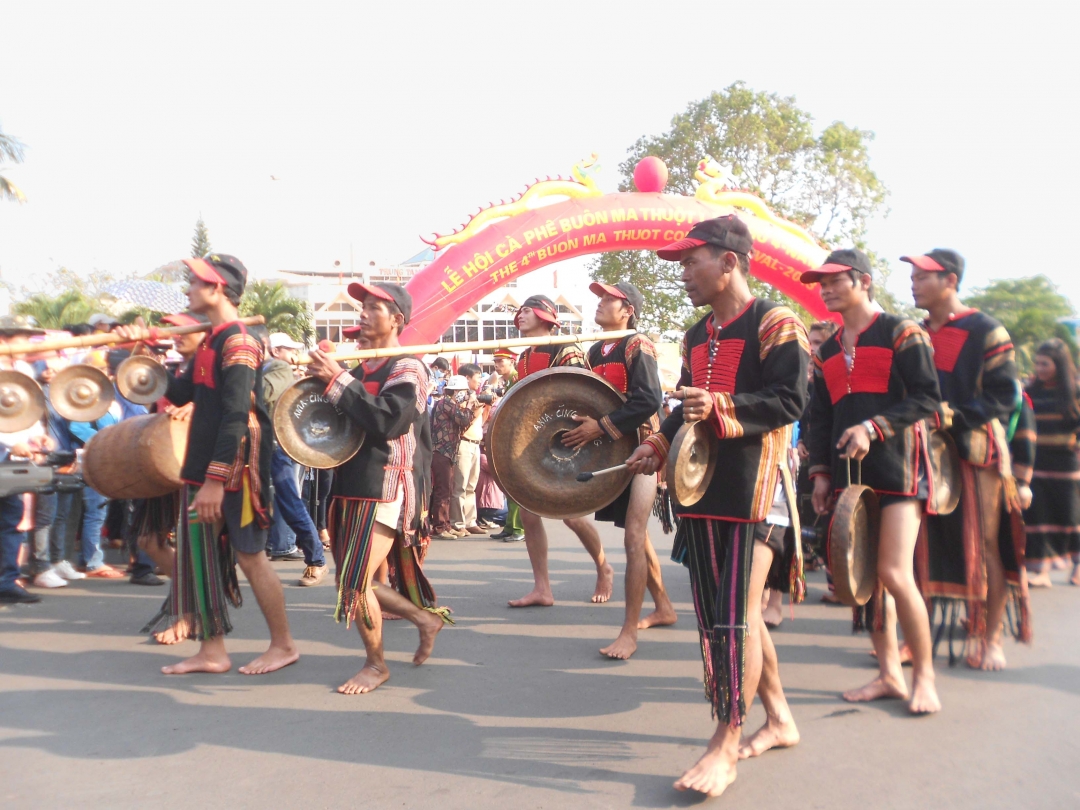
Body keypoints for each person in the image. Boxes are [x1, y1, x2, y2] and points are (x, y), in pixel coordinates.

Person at [625, 216, 808, 797]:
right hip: (704, 490)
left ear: (729, 262)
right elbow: (685, 406)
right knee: (731, 617)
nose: (683, 274)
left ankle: (725, 742)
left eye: (690, 262)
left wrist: (723, 405)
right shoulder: (696, 333)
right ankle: (778, 717)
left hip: (758, 492)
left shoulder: (776, 323)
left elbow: (789, 399)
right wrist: (657, 442)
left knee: (734, 617)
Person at [117, 253, 298, 676]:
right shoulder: (211, 341)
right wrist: (142, 350)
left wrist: (216, 481)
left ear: (216, 288)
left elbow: (236, 415)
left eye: (195, 283)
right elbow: (178, 394)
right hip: (202, 470)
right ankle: (212, 650)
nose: (187, 290)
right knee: (199, 555)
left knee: (251, 557)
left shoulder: (238, 341)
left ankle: (284, 645)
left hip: (233, 467)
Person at [801, 248, 941, 715]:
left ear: (862, 280)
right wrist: (820, 473)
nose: (824, 288)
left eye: (834, 279)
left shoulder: (903, 331)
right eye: (820, 281)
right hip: (847, 476)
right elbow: (819, 419)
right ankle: (888, 675)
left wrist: (874, 427)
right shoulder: (824, 351)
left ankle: (925, 678)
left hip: (899, 470)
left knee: (894, 574)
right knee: (865, 579)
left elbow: (927, 399)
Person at [305, 281, 449, 695]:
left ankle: (376, 665)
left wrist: (336, 382)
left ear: (397, 319)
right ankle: (424, 619)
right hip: (351, 484)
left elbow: (390, 422)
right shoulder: (359, 369)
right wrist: (320, 381)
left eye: (373, 307)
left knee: (354, 582)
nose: (363, 313)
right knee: (352, 581)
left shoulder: (408, 367)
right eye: (362, 306)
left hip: (387, 485)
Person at [906, 248, 1030, 669]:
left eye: (923, 276)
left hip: (977, 451)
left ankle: (990, 637)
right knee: (916, 545)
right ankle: (915, 640)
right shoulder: (914, 332)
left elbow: (1003, 397)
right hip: (923, 451)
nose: (914, 283)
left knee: (988, 545)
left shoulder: (986, 329)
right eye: (913, 276)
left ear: (951, 281)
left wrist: (952, 418)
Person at [562, 281, 676, 659]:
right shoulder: (596, 349)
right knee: (637, 537)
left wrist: (602, 425)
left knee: (633, 536)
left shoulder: (637, 344)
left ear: (627, 309)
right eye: (599, 297)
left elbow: (648, 399)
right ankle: (663, 607)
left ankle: (628, 632)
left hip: (644, 447)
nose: (600, 302)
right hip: (613, 449)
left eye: (608, 299)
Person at [507, 295, 615, 607]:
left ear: (544, 316)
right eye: (520, 310)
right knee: (528, 513)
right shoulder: (524, 356)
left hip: (569, 438)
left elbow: (580, 392)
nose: (520, 315)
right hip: (534, 444)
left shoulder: (566, 347)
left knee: (572, 515)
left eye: (527, 310)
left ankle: (603, 567)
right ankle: (542, 588)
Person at [259, 328, 327, 586]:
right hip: (270, 447)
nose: (294, 354)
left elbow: (262, 394)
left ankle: (316, 559)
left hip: (279, 449)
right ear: (276, 351)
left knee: (289, 502)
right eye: (289, 349)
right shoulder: (274, 366)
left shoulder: (278, 367)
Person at [0, 316, 56, 604]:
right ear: (3, 340)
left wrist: (39, 437)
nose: (26, 344)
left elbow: (27, 409)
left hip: (11, 459)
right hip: (6, 448)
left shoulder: (22, 369)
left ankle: (6, 581)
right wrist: (12, 442)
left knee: (10, 518)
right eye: (21, 338)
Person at [1023, 339, 1080, 587]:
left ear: (1059, 364)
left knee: (1070, 517)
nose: (1039, 368)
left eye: (1045, 364)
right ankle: (1042, 571)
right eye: (1037, 363)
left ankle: (1078, 565)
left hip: (1067, 465)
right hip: (1037, 462)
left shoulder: (1075, 391)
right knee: (1038, 517)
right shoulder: (1031, 391)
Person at [429, 374, 478, 539]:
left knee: (448, 489)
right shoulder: (446, 403)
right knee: (443, 490)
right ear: (456, 390)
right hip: (441, 451)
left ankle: (447, 525)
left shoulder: (449, 403)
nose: (465, 393)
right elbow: (464, 420)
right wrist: (471, 405)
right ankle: (440, 527)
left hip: (448, 452)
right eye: (463, 390)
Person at [489, 348, 525, 542]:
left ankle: (519, 528)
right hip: (506, 436)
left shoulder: (518, 379)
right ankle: (510, 526)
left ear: (512, 361)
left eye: (501, 362)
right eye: (495, 361)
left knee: (516, 484)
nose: (497, 365)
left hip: (518, 437)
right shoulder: (506, 382)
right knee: (507, 484)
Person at [448, 364, 488, 538]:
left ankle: (471, 521)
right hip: (463, 443)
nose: (479, 380)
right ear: (467, 379)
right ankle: (457, 523)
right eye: (476, 377)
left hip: (475, 443)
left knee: (472, 485)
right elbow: (465, 421)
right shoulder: (460, 399)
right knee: (460, 485)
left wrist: (485, 406)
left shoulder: (476, 398)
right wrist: (477, 406)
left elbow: (482, 420)